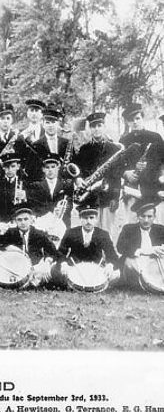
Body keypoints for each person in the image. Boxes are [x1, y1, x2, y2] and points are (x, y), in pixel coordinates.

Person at [73, 112, 125, 240]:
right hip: (89, 196)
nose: (96, 129)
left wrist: (115, 197)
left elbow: (117, 175)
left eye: (99, 125)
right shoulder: (84, 149)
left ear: (104, 126)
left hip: (107, 197)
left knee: (106, 232)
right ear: (90, 129)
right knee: (89, 231)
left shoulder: (114, 148)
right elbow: (77, 170)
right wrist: (78, 179)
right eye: (93, 126)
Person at [57, 201, 120, 287]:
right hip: (75, 268)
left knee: (116, 273)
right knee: (55, 269)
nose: (88, 221)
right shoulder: (71, 233)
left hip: (95, 269)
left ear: (96, 219)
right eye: (85, 218)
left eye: (91, 218)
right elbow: (60, 252)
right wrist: (64, 264)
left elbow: (113, 256)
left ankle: (99, 284)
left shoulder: (103, 234)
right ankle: (70, 283)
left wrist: (110, 265)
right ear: (80, 219)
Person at [0, 204, 58, 287]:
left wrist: (48, 261)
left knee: (44, 270)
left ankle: (32, 282)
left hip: (35, 266)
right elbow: (0, 246)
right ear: (15, 221)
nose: (23, 223)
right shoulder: (11, 233)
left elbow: (53, 252)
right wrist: (9, 248)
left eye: (26, 219)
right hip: (17, 265)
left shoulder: (39, 234)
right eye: (19, 220)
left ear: (31, 220)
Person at [116, 196, 164, 289]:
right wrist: (144, 251)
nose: (146, 220)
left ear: (154, 217)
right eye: (143, 216)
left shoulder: (160, 229)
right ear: (138, 217)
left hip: (154, 264)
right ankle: (138, 284)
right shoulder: (128, 229)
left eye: (149, 216)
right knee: (129, 263)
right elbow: (120, 247)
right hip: (136, 262)